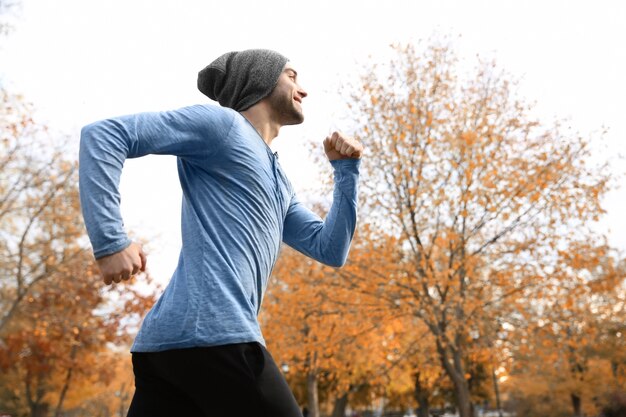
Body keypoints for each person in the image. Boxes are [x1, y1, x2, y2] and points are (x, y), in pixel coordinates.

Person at [79, 49, 363, 417]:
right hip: (217, 338)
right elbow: (103, 135)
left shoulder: (280, 184)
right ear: (259, 80)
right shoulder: (222, 125)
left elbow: (331, 249)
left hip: (167, 347)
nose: (302, 89)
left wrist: (346, 171)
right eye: (292, 76)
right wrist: (110, 241)